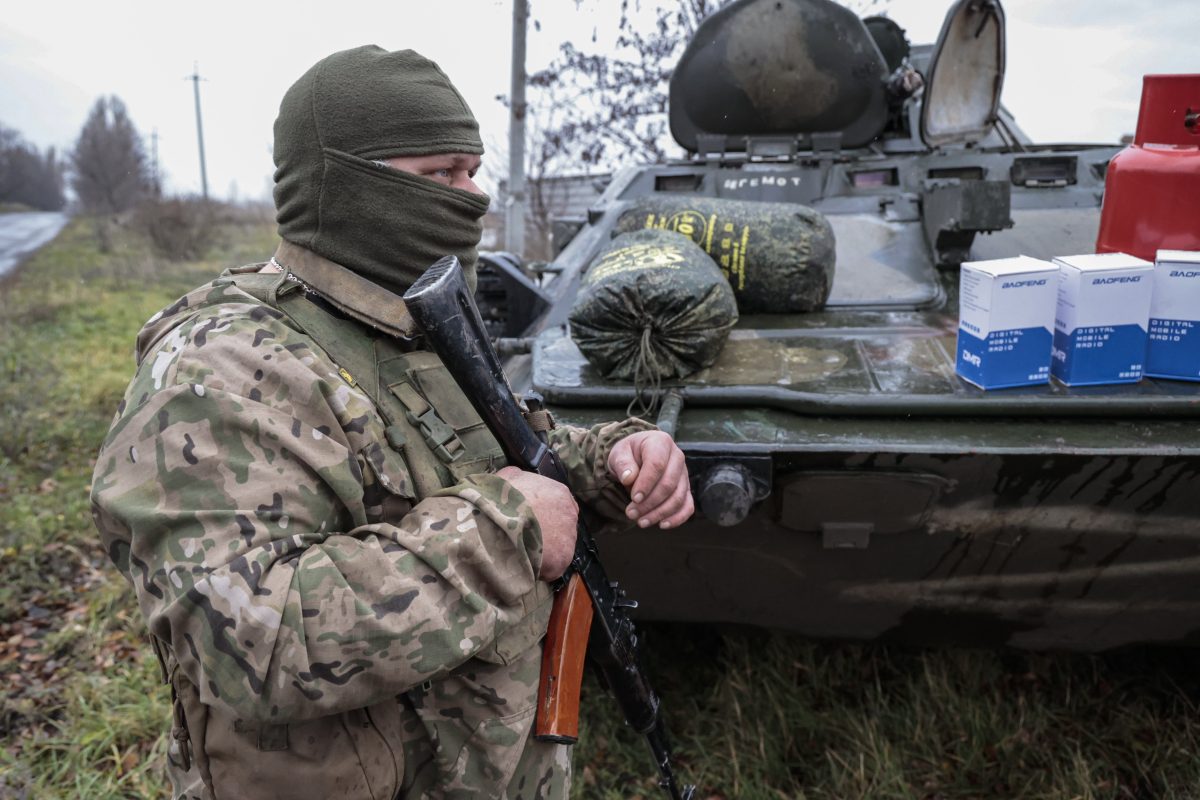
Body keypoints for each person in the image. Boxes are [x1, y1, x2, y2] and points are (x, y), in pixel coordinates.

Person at [90, 46, 693, 800]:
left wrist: (613, 459)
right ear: (348, 184)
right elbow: (251, 642)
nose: (470, 199)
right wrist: (508, 531)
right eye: (441, 174)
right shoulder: (223, 370)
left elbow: (498, 450)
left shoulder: (416, 319)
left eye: (474, 173)